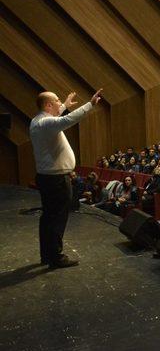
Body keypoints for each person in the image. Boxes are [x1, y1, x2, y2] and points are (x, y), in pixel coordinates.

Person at [30, 88, 102, 268]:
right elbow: (66, 120)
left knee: (48, 218)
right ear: (48, 105)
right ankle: (56, 257)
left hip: (48, 178)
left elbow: (57, 117)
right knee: (57, 219)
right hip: (56, 180)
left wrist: (63, 106)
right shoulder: (46, 123)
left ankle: (47, 255)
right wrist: (90, 104)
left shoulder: (37, 121)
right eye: (56, 100)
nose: (59, 102)